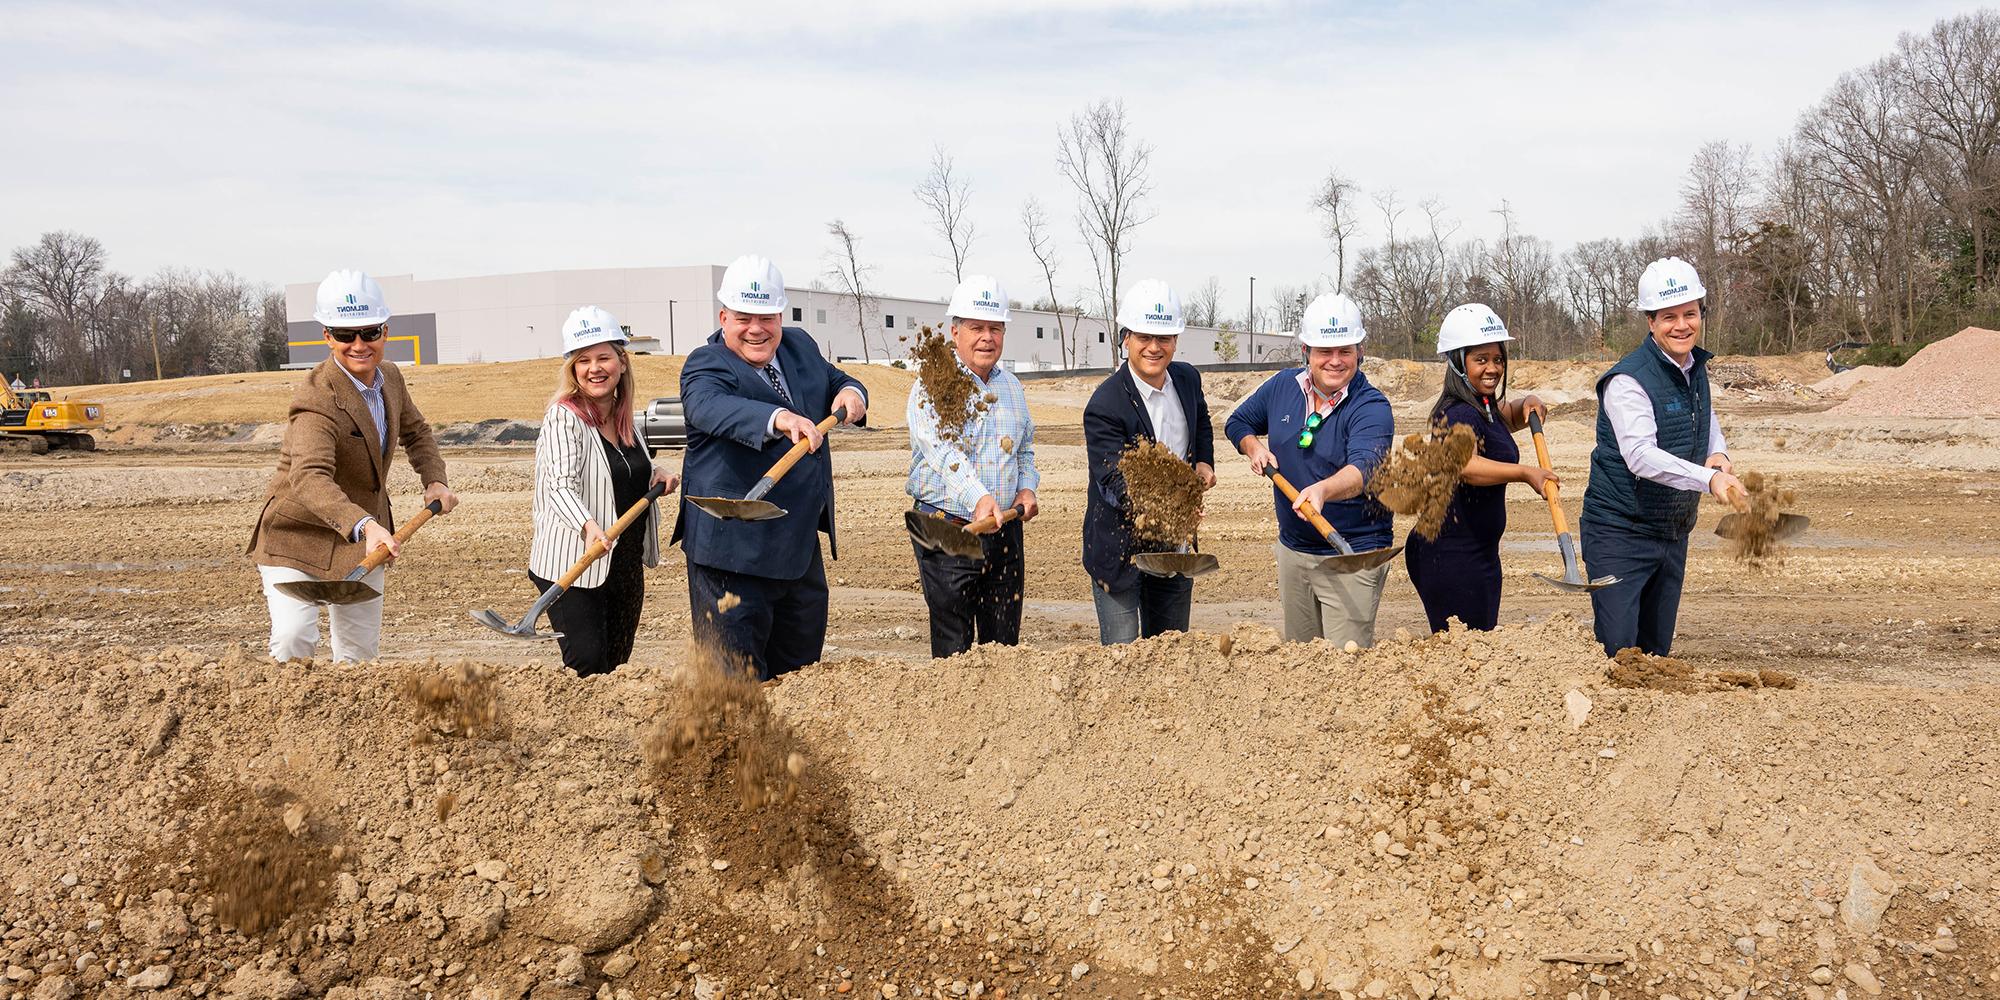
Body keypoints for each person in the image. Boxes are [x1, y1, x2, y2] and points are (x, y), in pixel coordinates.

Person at [673, 255, 868, 680]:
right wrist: (778, 418)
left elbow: (834, 380)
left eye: (766, 317)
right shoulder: (705, 365)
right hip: (731, 553)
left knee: (799, 675)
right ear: (724, 317)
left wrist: (852, 391)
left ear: (780, 315)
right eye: (744, 318)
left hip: (796, 547)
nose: (756, 328)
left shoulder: (799, 346)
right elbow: (711, 407)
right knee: (735, 683)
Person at [246, 270, 458, 662]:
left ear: (385, 331)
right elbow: (310, 476)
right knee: (294, 641)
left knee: (359, 655)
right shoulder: (316, 398)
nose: (359, 344)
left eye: (369, 332)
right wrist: (366, 524)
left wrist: (434, 480)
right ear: (327, 336)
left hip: (363, 541)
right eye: (345, 335)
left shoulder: (390, 378)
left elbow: (417, 432)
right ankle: (290, 718)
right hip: (298, 534)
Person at [1580, 257, 1745, 657]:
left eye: (1690, 314)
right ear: (1650, 322)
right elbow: (1639, 456)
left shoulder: (1695, 367)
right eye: (1669, 317)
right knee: (1620, 652)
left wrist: (1718, 455)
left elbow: (1705, 419)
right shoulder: (1627, 380)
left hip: (1671, 531)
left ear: (1701, 313)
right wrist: (1709, 480)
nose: (1682, 325)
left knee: (1656, 654)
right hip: (1620, 532)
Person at [1225, 292, 1394, 647]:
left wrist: (1322, 490)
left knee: (1345, 666)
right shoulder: (1282, 387)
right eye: (1324, 352)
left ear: (1359, 352)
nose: (1335, 361)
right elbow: (1238, 421)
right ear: (1307, 352)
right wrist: (1253, 446)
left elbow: (1365, 467)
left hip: (1352, 553)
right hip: (1294, 551)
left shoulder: (1372, 406)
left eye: (1345, 351)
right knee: (1301, 663)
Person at [529, 306, 680, 676]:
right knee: (588, 665)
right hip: (575, 564)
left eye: (603, 358)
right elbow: (559, 485)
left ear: (622, 362)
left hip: (623, 563)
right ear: (573, 369)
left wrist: (654, 473)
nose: (594, 368)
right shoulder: (564, 416)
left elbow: (620, 471)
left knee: (615, 667)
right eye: (583, 360)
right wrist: (588, 527)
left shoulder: (625, 416)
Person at [906, 275, 1040, 658]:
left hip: (1005, 532)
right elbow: (940, 450)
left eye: (994, 328)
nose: (987, 337)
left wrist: (1026, 488)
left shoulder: (1012, 387)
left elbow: (1025, 450)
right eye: (976, 328)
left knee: (1003, 646)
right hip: (950, 530)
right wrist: (979, 497)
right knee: (955, 651)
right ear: (955, 331)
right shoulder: (932, 384)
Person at [1404, 303, 1555, 633]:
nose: (1493, 368)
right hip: (1450, 555)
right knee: (1465, 650)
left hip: (1476, 552)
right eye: (1481, 360)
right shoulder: (1456, 412)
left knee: (1477, 644)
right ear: (1458, 362)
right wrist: (1526, 472)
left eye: (1498, 359)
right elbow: (1466, 466)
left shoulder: (1482, 406)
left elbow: (1505, 418)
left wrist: (1527, 403)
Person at [1082, 279, 1215, 644]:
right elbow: (1112, 482)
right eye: (1144, 337)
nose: (1154, 348)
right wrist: (1172, 507)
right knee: (1124, 655)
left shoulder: (1187, 379)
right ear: (1126, 338)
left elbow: (1201, 419)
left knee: (1169, 649)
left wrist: (1204, 461)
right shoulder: (1105, 405)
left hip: (1173, 546)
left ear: (1175, 341)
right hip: (1119, 549)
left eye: (1165, 339)